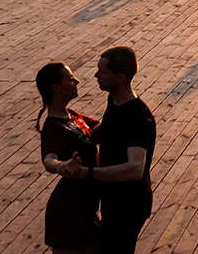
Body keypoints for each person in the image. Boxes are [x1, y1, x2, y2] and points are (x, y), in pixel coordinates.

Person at [62, 46, 156, 253]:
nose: (96, 76)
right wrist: (81, 137)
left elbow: (135, 169)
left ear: (120, 77)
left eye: (102, 72)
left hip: (129, 204)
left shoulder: (138, 118)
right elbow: (109, 127)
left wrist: (88, 174)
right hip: (113, 198)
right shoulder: (116, 100)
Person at [35, 62, 100, 254]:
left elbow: (101, 130)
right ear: (56, 87)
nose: (76, 81)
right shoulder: (53, 127)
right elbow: (49, 158)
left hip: (85, 207)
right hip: (68, 212)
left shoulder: (72, 117)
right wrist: (61, 166)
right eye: (70, 79)